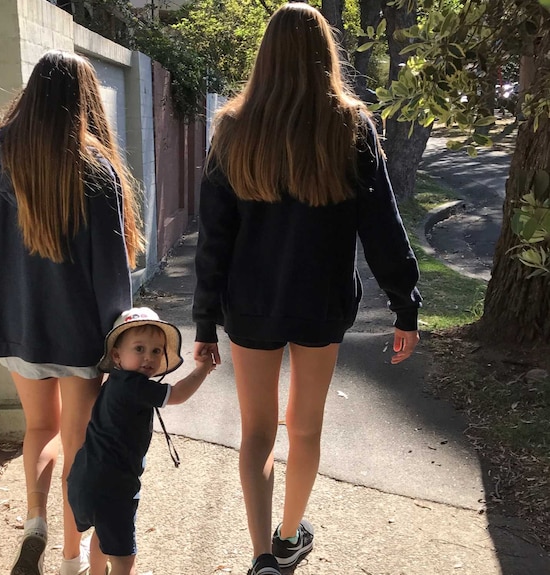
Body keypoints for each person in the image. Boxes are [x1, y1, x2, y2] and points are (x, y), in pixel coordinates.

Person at [192, 4, 422, 575]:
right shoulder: (351, 127)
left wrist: (202, 322)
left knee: (256, 433)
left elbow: (213, 237)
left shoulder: (233, 128)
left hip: (249, 305)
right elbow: (383, 226)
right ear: (327, 55)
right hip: (321, 304)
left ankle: (261, 555)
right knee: (307, 424)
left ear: (264, 55)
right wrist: (405, 305)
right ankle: (291, 533)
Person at [0, 50, 144, 575]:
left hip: (14, 323)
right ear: (84, 102)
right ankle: (71, 556)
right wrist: (122, 337)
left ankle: (34, 520)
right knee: (79, 444)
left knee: (39, 427)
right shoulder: (93, 165)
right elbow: (110, 269)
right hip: (79, 332)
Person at [67, 307, 214, 575]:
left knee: (104, 535)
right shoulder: (132, 386)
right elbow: (178, 394)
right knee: (124, 558)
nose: (149, 357)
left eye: (156, 351)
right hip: (114, 485)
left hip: (85, 478)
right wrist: (202, 370)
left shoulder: (114, 383)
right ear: (116, 355)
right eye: (139, 348)